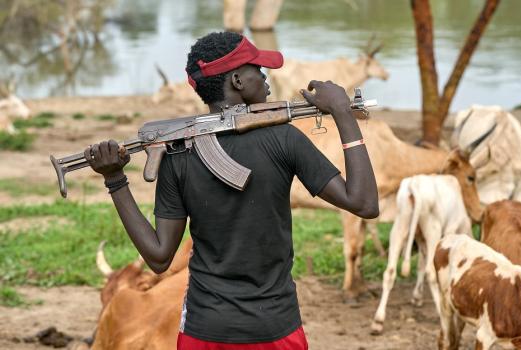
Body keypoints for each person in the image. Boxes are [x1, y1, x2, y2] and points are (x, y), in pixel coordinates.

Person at [84, 31, 379, 350]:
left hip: (203, 330)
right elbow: (364, 204)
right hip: (275, 327)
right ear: (237, 80)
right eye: (258, 69)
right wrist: (343, 115)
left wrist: (116, 180)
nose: (266, 78)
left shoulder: (178, 154)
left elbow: (158, 258)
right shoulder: (284, 139)